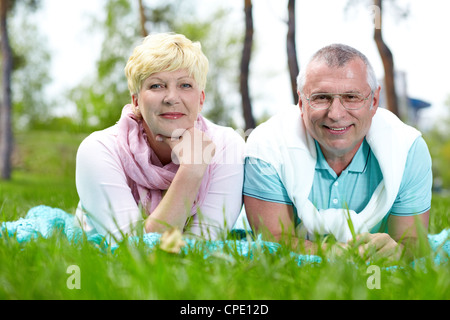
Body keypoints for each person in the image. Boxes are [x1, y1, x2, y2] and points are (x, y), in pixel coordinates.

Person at [243, 43, 432, 261]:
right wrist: (335, 253)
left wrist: (397, 251)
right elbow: (273, 239)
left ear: (374, 101)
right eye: (321, 97)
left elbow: (413, 244)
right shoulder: (268, 147)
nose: (335, 114)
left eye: (351, 97)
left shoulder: (407, 149)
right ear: (301, 101)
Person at [75, 33, 244, 242]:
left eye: (185, 85)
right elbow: (132, 251)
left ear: (201, 100)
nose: (172, 98)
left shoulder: (227, 145)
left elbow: (201, 246)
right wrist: (191, 171)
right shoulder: (99, 149)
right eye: (157, 85)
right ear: (136, 101)